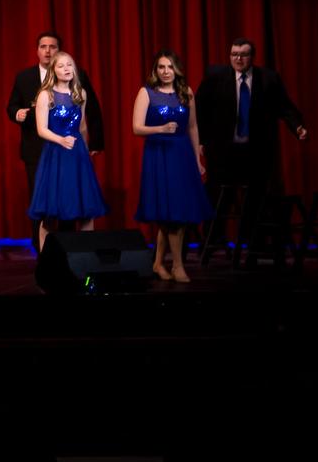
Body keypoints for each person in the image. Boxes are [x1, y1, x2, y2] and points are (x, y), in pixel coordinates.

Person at [196, 38, 308, 259]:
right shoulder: (215, 76)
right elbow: (199, 108)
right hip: (223, 152)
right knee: (218, 197)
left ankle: (252, 243)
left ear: (252, 57)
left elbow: (284, 107)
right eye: (234, 54)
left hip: (255, 151)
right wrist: (200, 140)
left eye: (243, 54)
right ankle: (211, 242)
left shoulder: (268, 78)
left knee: (256, 199)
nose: (238, 58)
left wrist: (298, 127)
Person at [7, 31, 104, 237]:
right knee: (46, 205)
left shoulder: (80, 88)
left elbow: (86, 119)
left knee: (75, 204)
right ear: (38, 51)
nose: (48, 51)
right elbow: (12, 106)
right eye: (43, 46)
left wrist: (88, 147)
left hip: (74, 151)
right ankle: (44, 255)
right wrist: (18, 113)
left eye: (53, 47)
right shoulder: (27, 79)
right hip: (41, 150)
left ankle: (74, 254)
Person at [131, 51, 211, 283]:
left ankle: (158, 263)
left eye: (169, 67)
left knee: (177, 212)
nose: (165, 72)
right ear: (155, 71)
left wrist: (197, 159)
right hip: (159, 156)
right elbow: (136, 127)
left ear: (177, 70)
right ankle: (177, 265)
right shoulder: (146, 93)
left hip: (182, 155)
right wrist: (160, 129)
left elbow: (193, 127)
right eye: (161, 67)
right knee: (171, 213)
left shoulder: (186, 93)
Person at [28, 52, 106, 251]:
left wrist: (85, 150)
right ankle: (45, 258)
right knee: (50, 213)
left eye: (69, 65)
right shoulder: (46, 95)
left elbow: (81, 127)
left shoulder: (81, 94)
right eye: (61, 66)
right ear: (53, 70)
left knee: (85, 208)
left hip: (77, 153)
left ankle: (86, 256)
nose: (66, 69)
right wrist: (60, 140)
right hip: (56, 154)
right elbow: (41, 129)